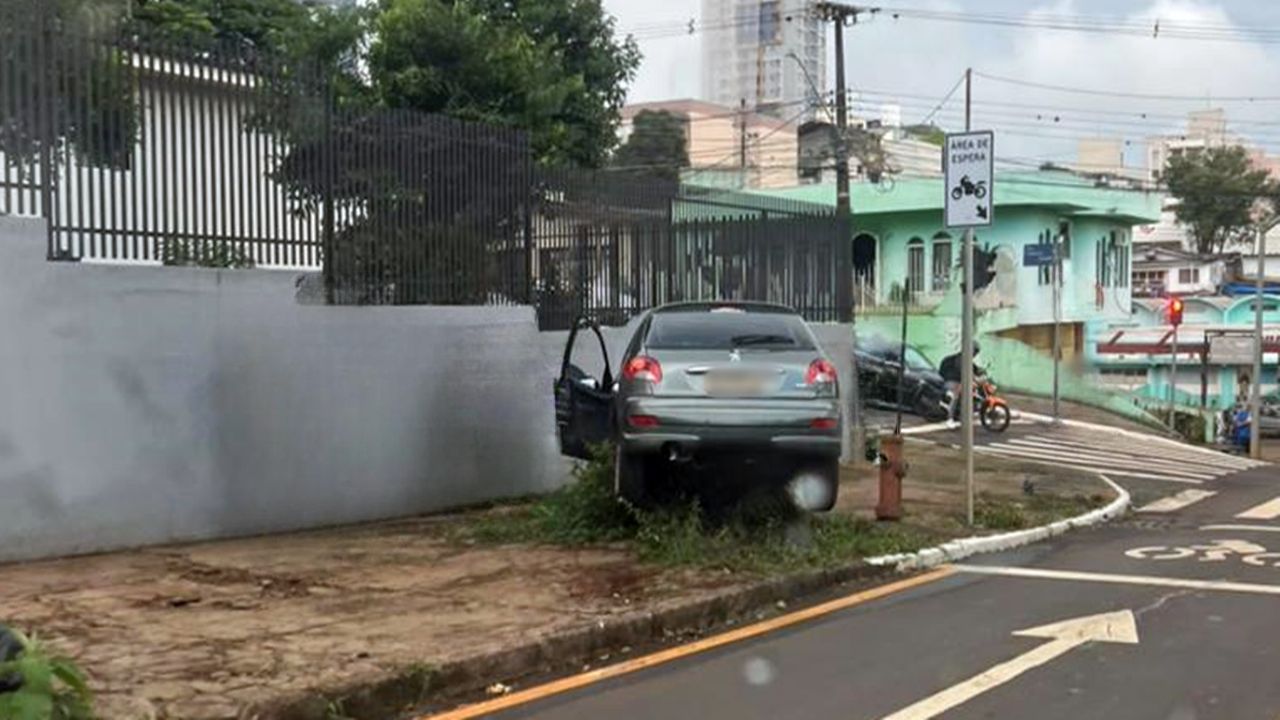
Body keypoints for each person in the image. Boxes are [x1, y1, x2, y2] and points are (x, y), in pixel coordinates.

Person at [940, 343, 982, 426]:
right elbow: (963, 370)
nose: (975, 355)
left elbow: (974, 369)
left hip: (958, 382)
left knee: (971, 390)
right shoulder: (960, 359)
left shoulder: (967, 360)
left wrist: (980, 372)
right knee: (955, 395)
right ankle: (949, 418)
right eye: (975, 352)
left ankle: (965, 413)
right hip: (951, 382)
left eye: (976, 353)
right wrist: (973, 377)